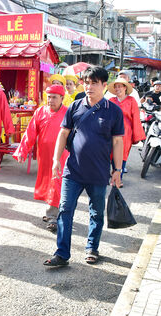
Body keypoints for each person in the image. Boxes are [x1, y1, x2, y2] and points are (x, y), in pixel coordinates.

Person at [44, 66, 124, 267]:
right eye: (86, 83)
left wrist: (117, 170)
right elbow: (63, 134)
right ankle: (62, 254)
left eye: (94, 83)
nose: (89, 87)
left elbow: (117, 142)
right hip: (73, 170)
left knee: (96, 212)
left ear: (104, 85)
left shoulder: (113, 111)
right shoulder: (75, 106)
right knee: (65, 210)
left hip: (98, 172)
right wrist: (55, 160)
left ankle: (92, 248)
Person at [13, 85, 69, 232]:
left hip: (62, 155)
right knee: (47, 183)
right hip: (44, 155)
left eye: (54, 97)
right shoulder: (40, 111)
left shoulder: (68, 113)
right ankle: (54, 212)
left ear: (62, 98)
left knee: (57, 182)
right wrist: (22, 151)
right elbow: (30, 133)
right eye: (48, 97)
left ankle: (53, 217)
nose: (50, 100)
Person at [108, 78, 146, 186]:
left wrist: (137, 134)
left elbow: (136, 118)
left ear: (125, 88)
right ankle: (112, 173)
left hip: (126, 132)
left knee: (122, 154)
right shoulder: (111, 100)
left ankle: (119, 178)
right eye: (116, 86)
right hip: (112, 131)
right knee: (109, 153)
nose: (117, 88)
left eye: (120, 86)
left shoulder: (131, 101)